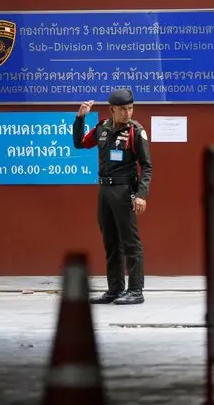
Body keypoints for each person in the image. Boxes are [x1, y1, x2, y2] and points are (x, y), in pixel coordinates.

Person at [72, 88, 152, 305]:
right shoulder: (102, 129)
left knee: (130, 243)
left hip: (125, 192)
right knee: (110, 242)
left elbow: (146, 166)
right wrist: (81, 117)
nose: (127, 113)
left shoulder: (136, 132)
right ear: (112, 110)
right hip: (105, 192)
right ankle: (115, 289)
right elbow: (79, 143)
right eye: (123, 109)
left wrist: (141, 195)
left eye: (130, 108)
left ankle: (136, 290)